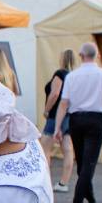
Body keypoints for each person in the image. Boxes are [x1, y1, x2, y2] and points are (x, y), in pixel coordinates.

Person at [53, 42, 102, 203]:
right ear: (97, 56)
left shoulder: (72, 76)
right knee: (89, 161)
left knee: (82, 160)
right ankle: (78, 201)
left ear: (81, 55)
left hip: (75, 120)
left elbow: (63, 104)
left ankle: (89, 193)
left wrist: (57, 127)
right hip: (96, 120)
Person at [40, 49, 76, 192]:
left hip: (55, 115)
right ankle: (63, 183)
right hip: (69, 115)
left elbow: (55, 94)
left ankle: (45, 183)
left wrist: (46, 110)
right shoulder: (73, 76)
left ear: (62, 59)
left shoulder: (60, 73)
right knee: (67, 148)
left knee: (44, 149)